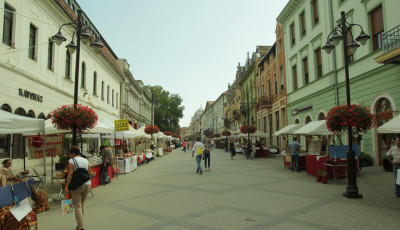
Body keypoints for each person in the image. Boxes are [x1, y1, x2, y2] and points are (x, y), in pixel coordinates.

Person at [65, 146, 93, 230]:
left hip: (77, 185)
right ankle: (80, 224)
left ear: (73, 153)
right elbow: (90, 173)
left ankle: (81, 227)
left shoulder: (71, 161)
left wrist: (66, 186)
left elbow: (70, 174)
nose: (69, 156)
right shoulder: (85, 160)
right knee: (82, 204)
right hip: (87, 184)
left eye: (70, 154)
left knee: (77, 206)